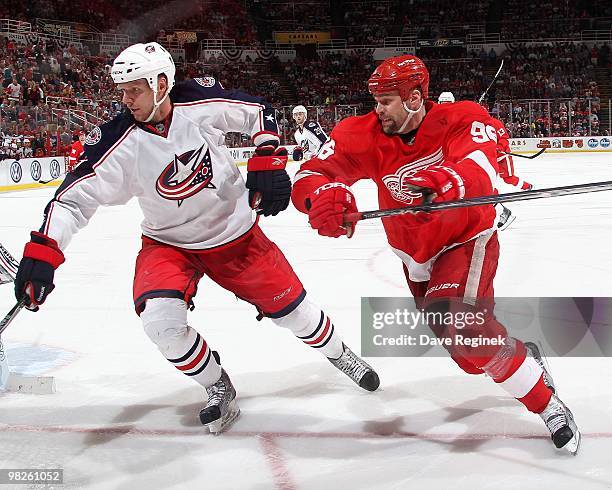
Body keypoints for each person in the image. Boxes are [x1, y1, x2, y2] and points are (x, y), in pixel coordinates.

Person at [13, 42, 379, 434]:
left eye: (134, 89)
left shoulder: (199, 101)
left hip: (236, 236)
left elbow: (260, 112)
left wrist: (267, 156)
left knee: (298, 315)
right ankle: (216, 384)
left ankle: (340, 354)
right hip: (168, 245)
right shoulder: (115, 141)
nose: (125, 99)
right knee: (159, 323)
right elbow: (70, 201)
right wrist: (42, 254)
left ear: (160, 83)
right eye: (123, 90)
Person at [292, 55, 580, 454]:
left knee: (464, 327)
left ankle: (547, 404)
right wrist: (321, 198)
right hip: (415, 257)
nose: (378, 109)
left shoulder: (461, 118)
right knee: (468, 357)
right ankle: (521, 355)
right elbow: (310, 175)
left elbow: (484, 164)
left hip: (465, 237)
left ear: (414, 97)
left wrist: (449, 179)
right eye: (375, 99)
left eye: (386, 100)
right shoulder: (362, 133)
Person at [437, 91, 532, 230]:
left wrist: (498, 148)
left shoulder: (474, 120)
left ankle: (524, 191)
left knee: (501, 181)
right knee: (470, 187)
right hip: (466, 156)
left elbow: (502, 139)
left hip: (483, 157)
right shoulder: (446, 118)